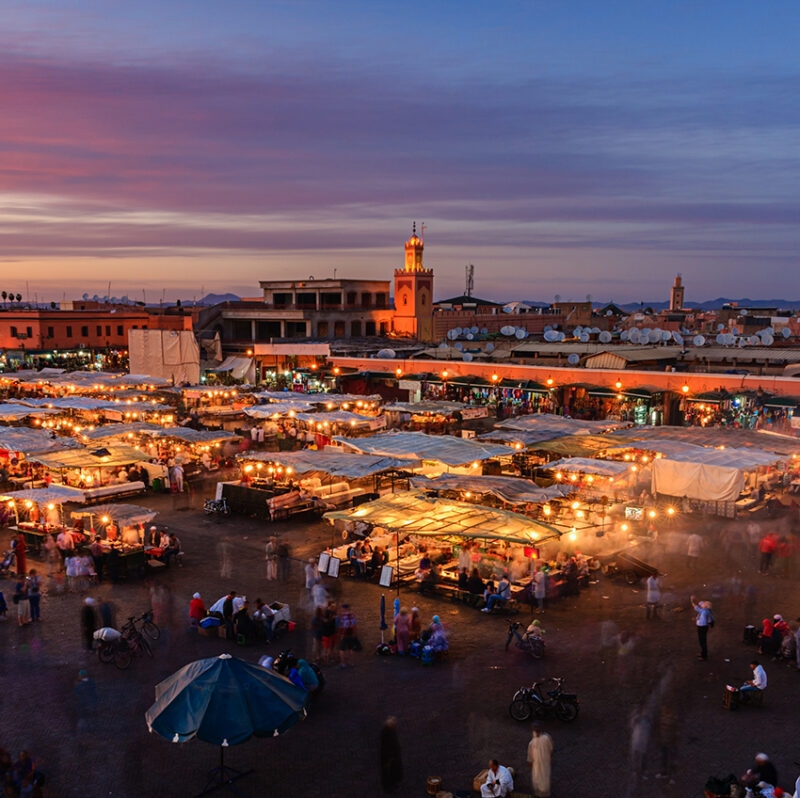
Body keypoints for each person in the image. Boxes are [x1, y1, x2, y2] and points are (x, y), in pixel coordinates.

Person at [527, 724, 553, 798]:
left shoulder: (532, 743)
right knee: (543, 779)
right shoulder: (546, 738)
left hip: (540, 765)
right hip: (542, 764)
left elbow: (529, 759)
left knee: (539, 779)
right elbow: (551, 749)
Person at [379, 716, 403, 793]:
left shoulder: (391, 732)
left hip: (393, 756)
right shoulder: (386, 734)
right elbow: (384, 749)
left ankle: (394, 782)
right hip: (388, 758)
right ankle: (388, 787)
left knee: (394, 771)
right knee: (387, 773)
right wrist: (389, 759)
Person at [691, 596, 713, 660]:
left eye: (704, 604)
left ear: (705, 606)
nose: (702, 604)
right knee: (702, 641)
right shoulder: (706, 610)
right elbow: (700, 603)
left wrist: (692, 600)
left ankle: (704, 656)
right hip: (703, 627)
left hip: (702, 627)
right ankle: (703, 653)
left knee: (702, 641)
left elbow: (696, 607)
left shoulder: (704, 611)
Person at [337, 603, 359, 668]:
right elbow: (355, 626)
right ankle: (351, 662)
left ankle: (343, 663)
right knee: (351, 648)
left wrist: (340, 635)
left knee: (341, 649)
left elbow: (340, 627)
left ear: (343, 609)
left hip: (344, 635)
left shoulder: (341, 616)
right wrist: (355, 634)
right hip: (351, 634)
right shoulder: (352, 615)